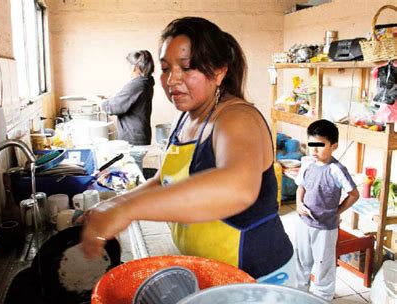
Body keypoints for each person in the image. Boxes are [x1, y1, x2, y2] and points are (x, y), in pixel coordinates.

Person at [80, 16, 294, 285]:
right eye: (166, 68)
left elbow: (238, 189)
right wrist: (116, 203)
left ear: (219, 72)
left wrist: (128, 210)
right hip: (211, 273)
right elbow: (164, 180)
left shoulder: (237, 119)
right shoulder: (187, 116)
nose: (172, 80)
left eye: (187, 67)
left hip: (257, 279)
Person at [294, 119, 359, 301]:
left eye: (320, 145)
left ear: (334, 146)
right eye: (311, 144)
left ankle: (323, 298)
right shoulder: (307, 164)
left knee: (323, 264)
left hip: (325, 228)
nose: (314, 150)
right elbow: (301, 186)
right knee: (301, 260)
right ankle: (300, 294)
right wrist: (299, 204)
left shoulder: (336, 170)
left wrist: (337, 212)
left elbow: (354, 194)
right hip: (303, 223)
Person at [101, 50, 155, 145]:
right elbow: (131, 100)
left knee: (131, 160)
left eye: (127, 65)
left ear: (134, 67)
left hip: (132, 138)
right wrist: (114, 97)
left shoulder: (136, 85)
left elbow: (113, 108)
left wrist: (96, 100)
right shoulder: (146, 82)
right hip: (140, 134)